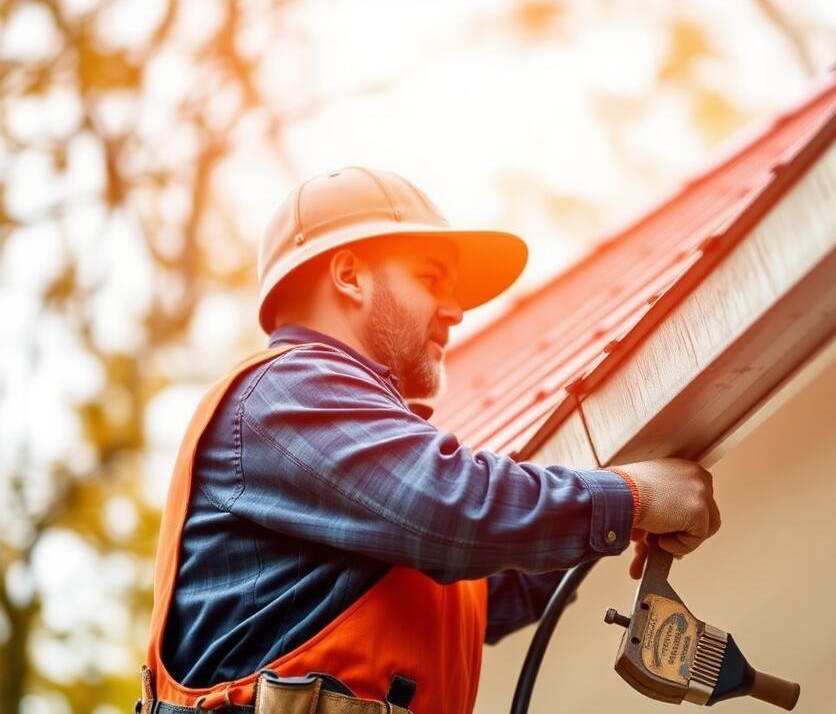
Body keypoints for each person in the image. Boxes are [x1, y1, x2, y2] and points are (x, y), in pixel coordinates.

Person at [139, 167, 721, 714]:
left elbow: (478, 590)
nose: (455, 310)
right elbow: (456, 509)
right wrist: (630, 498)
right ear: (348, 276)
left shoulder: (356, 457)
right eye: (430, 279)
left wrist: (616, 522)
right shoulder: (288, 391)